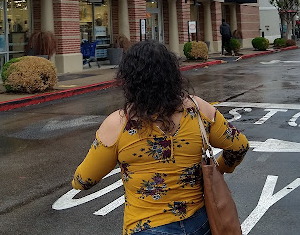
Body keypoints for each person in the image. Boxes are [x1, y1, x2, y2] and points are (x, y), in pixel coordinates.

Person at [71, 40, 249, 234]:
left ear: (129, 80)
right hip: (200, 223)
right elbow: (239, 145)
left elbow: (84, 180)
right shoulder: (199, 110)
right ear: (172, 75)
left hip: (145, 226)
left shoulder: (118, 124)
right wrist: (219, 169)